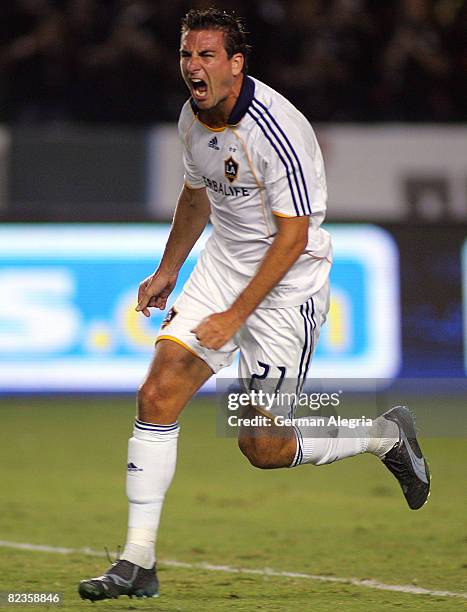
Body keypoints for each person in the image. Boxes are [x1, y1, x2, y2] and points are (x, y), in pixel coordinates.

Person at [78, 7, 430, 602]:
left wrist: (236, 316)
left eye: (207, 55)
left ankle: (383, 434)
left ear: (236, 64)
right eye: (187, 54)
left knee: (262, 447)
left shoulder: (277, 130)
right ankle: (137, 561)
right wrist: (169, 269)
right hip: (222, 267)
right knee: (157, 394)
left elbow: (293, 237)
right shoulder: (193, 117)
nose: (193, 66)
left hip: (286, 284)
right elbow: (197, 195)